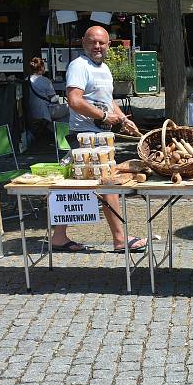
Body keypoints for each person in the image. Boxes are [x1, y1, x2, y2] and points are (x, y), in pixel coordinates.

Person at [50, 26, 146, 253]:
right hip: (85, 137)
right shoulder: (79, 66)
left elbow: (107, 100)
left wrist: (123, 119)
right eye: (92, 42)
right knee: (107, 184)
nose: (97, 47)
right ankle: (121, 239)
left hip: (101, 137)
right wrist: (104, 116)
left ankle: (59, 237)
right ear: (84, 42)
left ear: (108, 45)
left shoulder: (104, 69)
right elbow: (74, 100)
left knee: (74, 184)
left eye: (102, 43)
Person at [27, 57, 69, 128]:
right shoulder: (45, 81)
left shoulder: (27, 79)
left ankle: (51, 128)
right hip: (45, 111)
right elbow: (53, 99)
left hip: (32, 110)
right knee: (71, 108)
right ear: (42, 67)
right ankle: (58, 129)